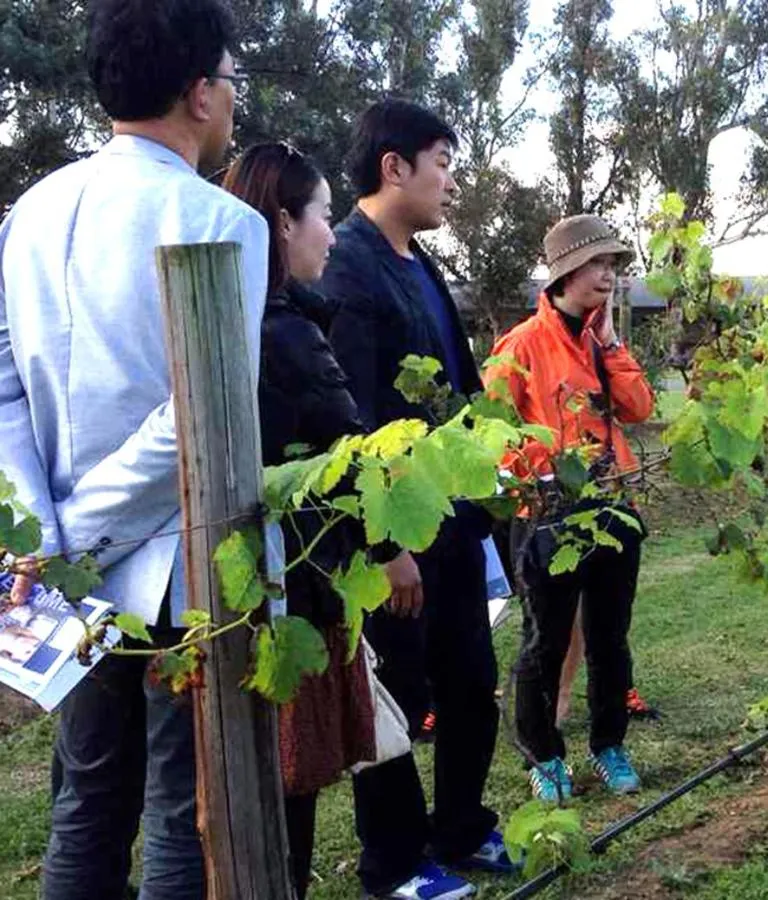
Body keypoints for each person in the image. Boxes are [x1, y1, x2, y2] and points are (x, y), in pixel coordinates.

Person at [0, 2, 268, 898]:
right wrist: (72, 533)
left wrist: (42, 531)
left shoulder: (29, 212)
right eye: (231, 81)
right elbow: (200, 417)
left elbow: (4, 391)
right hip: (174, 564)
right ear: (199, 94)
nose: (234, 101)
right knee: (184, 812)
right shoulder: (223, 220)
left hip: (58, 577)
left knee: (85, 801)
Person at [321, 99, 507, 900]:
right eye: (442, 162)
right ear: (393, 167)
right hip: (395, 533)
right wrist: (381, 546)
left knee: (471, 678)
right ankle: (394, 865)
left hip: (453, 521)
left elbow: (459, 395)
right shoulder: (349, 267)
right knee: (395, 699)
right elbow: (346, 422)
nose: (451, 182)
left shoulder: (420, 262)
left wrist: (491, 485)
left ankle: (461, 827)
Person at [223, 141, 420, 898]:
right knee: (289, 782)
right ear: (281, 224)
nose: (331, 235)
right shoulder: (286, 334)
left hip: (238, 584)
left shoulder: (245, 322)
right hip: (291, 588)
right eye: (322, 216)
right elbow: (355, 457)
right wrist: (391, 545)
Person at [484, 214, 654, 802]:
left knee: (611, 638)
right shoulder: (522, 345)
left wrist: (610, 346)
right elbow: (493, 432)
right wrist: (532, 487)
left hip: (611, 505)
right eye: (598, 264)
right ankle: (544, 755)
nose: (608, 276)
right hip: (547, 514)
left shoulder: (601, 341)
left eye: (613, 266)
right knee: (544, 641)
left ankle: (609, 745)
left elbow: (637, 408)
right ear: (565, 273)